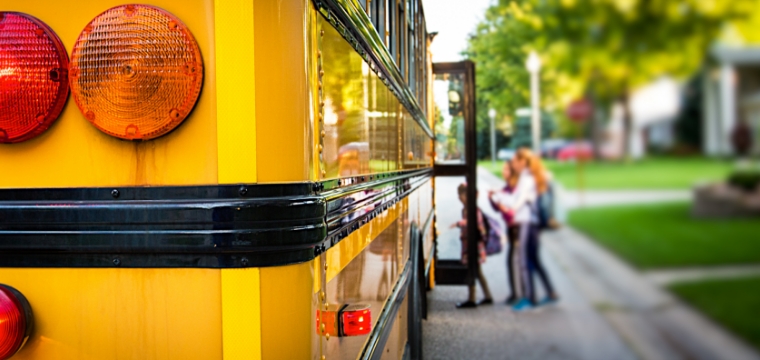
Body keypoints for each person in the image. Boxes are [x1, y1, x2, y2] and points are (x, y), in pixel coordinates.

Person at [524, 150, 558, 305]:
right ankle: (550, 291)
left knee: (530, 259)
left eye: (528, 165)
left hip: (534, 225)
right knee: (534, 259)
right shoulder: (541, 179)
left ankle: (533, 296)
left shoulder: (538, 180)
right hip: (535, 224)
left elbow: (540, 206)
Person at [452, 183, 493, 308]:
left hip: (473, 246)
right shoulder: (467, 209)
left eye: (462, 194)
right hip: (469, 244)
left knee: (472, 271)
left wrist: (461, 223)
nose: (459, 197)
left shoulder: (472, 210)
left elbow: (477, 225)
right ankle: (487, 296)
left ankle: (472, 298)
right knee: (478, 272)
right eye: (458, 194)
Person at [488, 161, 521, 305]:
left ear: (512, 171)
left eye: (506, 169)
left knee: (517, 261)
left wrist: (502, 207)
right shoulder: (507, 188)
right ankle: (518, 293)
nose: (503, 172)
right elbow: (498, 209)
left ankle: (519, 294)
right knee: (517, 261)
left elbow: (511, 212)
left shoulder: (515, 189)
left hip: (518, 228)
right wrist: (491, 199)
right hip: (512, 228)